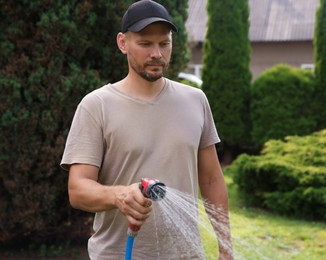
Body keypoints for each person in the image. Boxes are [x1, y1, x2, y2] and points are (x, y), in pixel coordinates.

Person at [61, 0, 232, 259]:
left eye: (164, 43)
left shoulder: (196, 100)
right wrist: (119, 195)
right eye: (145, 43)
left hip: (187, 255)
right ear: (122, 43)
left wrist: (226, 249)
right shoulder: (96, 106)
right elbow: (77, 189)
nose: (157, 54)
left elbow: (211, 180)